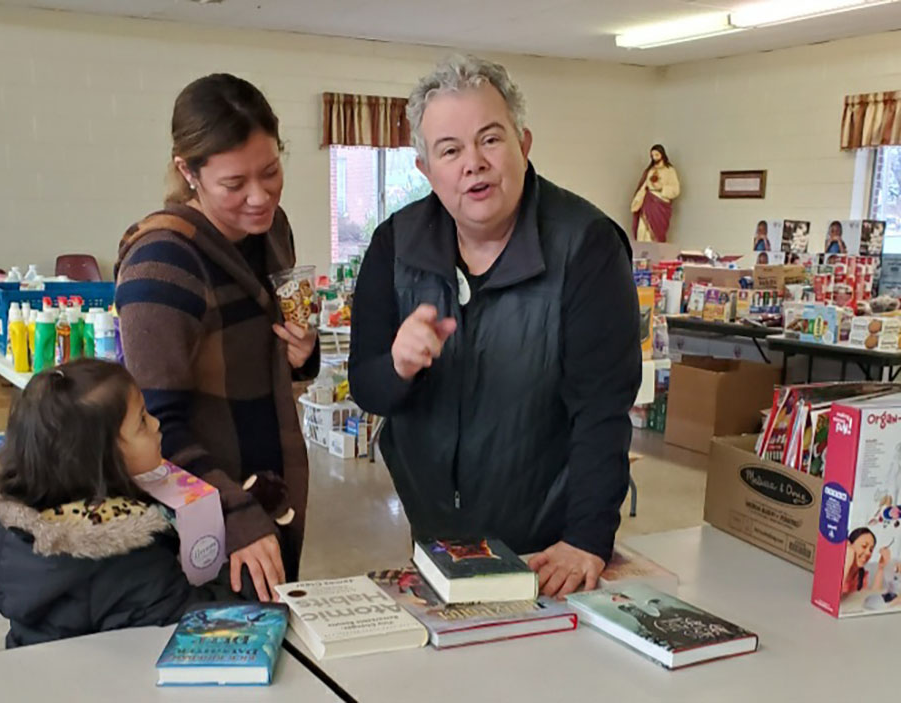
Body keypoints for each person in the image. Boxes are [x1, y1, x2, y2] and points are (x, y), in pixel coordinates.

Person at [348, 55, 641, 597]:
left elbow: (602, 408)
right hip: (436, 537)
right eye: (450, 150)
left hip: (548, 546)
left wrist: (588, 538)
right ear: (426, 170)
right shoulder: (395, 245)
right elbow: (368, 390)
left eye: (491, 139)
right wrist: (398, 365)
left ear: (523, 144)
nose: (473, 164)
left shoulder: (587, 246)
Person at [115, 74, 317, 602]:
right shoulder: (162, 263)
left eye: (271, 171)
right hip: (210, 514)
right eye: (234, 184)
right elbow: (154, 428)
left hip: (271, 490)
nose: (259, 196)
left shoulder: (272, 231)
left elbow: (255, 355)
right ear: (188, 171)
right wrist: (235, 514)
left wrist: (301, 356)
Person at [0, 360, 234, 648]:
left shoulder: (19, 529)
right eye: (141, 421)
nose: (156, 423)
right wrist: (242, 576)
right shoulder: (127, 561)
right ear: (100, 460)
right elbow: (195, 616)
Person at [630, 144, 680, 242]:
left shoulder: (669, 171)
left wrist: (662, 188)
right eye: (652, 155)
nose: (654, 157)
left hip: (660, 204)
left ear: (662, 155)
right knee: (642, 230)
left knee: (654, 233)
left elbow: (676, 189)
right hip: (647, 202)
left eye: (656, 155)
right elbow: (644, 187)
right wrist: (636, 201)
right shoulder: (650, 171)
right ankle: (642, 254)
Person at [842, 527, 890, 596]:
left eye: (871, 550)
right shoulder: (832, 568)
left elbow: (872, 600)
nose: (868, 553)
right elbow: (831, 598)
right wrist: (847, 563)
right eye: (864, 546)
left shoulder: (861, 576)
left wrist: (881, 569)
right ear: (849, 545)